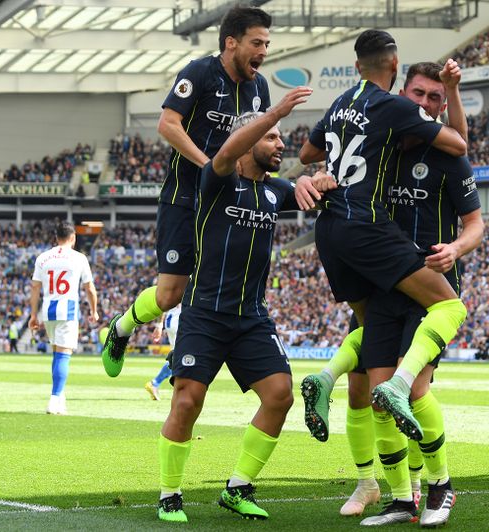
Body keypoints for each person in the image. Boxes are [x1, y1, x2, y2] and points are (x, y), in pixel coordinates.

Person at [301, 60, 481, 526]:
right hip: (384, 280)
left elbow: (475, 224)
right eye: (417, 94)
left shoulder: (447, 156)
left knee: (414, 389)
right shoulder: (381, 145)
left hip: (429, 280)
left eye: (433, 98)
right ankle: (402, 500)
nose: (423, 103)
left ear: (440, 106)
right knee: (380, 395)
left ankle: (441, 488)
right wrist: (318, 179)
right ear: (402, 95)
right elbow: (329, 165)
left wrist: (456, 249)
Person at [155, 86, 320, 523]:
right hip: (204, 313)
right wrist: (274, 112)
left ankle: (239, 487)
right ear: (249, 139)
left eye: (281, 137)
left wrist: (309, 179)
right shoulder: (217, 178)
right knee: (187, 402)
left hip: (251, 318)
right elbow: (225, 153)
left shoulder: (274, 192)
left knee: (280, 395)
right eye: (271, 137)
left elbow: (307, 188)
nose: (280, 143)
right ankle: (169, 494)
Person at [102, 6, 273, 377]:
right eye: (256, 42)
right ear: (231, 42)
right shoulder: (200, 72)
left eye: (267, 43)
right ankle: (120, 328)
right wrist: (209, 166)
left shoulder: (259, 87)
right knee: (169, 295)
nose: (264, 51)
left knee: (210, 287)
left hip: (228, 204)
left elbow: (260, 142)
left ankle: (187, 362)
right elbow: (168, 124)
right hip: (185, 196)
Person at [29, 222, 100, 415]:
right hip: (67, 311)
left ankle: (60, 399)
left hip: (48, 312)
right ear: (73, 237)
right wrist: (94, 310)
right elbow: (89, 288)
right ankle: (54, 399)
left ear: (56, 237)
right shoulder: (79, 258)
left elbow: (35, 287)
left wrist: (34, 314)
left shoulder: (43, 258)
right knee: (63, 355)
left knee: (57, 354)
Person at [146, 304, 181, 400]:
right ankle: (155, 383)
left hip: (171, 320)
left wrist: (159, 325)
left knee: (178, 356)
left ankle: (155, 383)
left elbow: (163, 305)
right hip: (177, 320)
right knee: (183, 356)